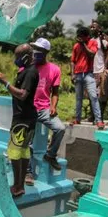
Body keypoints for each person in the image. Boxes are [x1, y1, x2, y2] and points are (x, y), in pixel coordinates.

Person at [0, 44, 39, 197]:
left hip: (22, 119)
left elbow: (22, 94)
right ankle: (19, 185)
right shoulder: (29, 71)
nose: (16, 60)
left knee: (14, 151)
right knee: (24, 150)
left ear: (26, 57)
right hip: (29, 117)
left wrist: (6, 83)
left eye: (18, 57)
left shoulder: (30, 73)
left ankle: (18, 186)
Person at [31, 38, 67, 172]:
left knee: (60, 128)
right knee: (27, 140)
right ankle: (28, 170)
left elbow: (55, 92)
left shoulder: (54, 69)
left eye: (39, 49)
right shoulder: (28, 66)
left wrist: (53, 106)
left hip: (44, 108)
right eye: (34, 48)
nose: (35, 52)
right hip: (30, 108)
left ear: (46, 52)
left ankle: (50, 155)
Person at [70, 27, 104, 129]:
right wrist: (72, 74)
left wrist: (83, 44)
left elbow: (91, 54)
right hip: (78, 74)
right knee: (78, 98)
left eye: (81, 37)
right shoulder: (76, 46)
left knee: (93, 96)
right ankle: (77, 118)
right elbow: (72, 61)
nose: (79, 39)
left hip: (88, 74)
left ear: (86, 37)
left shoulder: (92, 42)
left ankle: (98, 120)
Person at [90, 21, 108, 120]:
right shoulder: (90, 40)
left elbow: (105, 49)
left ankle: (98, 116)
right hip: (91, 70)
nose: (92, 29)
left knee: (100, 95)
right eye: (91, 27)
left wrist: (101, 38)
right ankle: (91, 115)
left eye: (94, 27)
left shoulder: (103, 40)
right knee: (91, 94)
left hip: (100, 69)